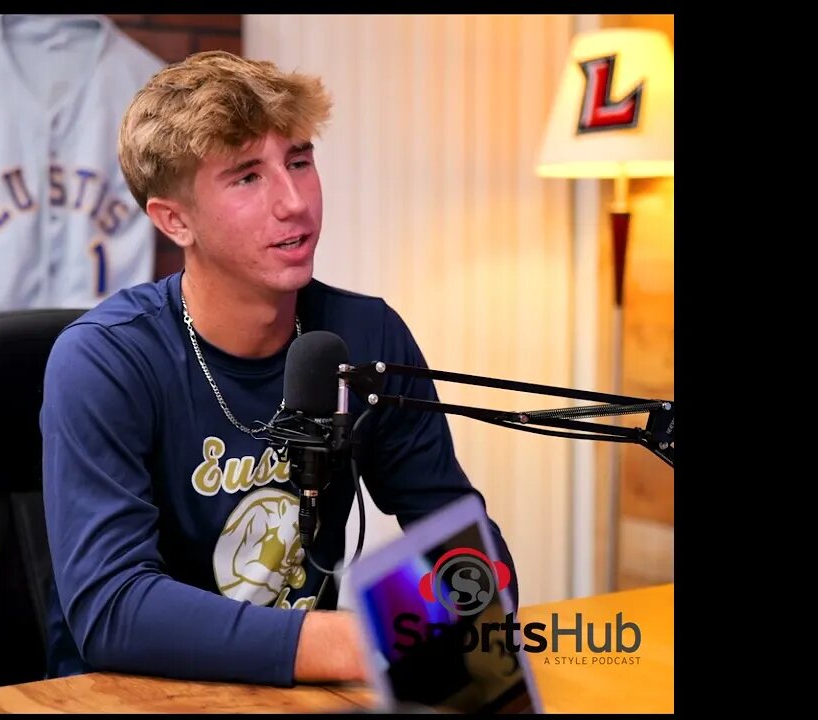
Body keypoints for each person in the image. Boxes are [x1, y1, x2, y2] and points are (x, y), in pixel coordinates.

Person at [40, 50, 518, 688]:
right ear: (173, 219)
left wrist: (429, 613)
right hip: (122, 695)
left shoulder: (366, 335)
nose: (294, 202)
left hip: (298, 688)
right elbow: (113, 610)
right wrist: (357, 640)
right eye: (247, 177)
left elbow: (463, 548)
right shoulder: (104, 359)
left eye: (299, 161)